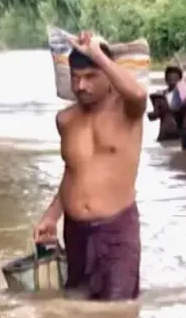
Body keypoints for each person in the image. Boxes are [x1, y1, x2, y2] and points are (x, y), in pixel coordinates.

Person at [33, 32, 147, 301]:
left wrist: (98, 54)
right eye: (75, 77)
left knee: (117, 313)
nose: (81, 86)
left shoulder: (128, 111)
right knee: (77, 311)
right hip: (75, 232)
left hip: (116, 230)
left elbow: (139, 93)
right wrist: (51, 215)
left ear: (109, 76)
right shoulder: (66, 119)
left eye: (90, 77)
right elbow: (73, 171)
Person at [147, 65, 183, 142]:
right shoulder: (159, 97)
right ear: (166, 80)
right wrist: (151, 114)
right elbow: (154, 116)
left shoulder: (185, 96)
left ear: (180, 80)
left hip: (181, 135)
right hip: (164, 134)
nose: (173, 82)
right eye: (170, 79)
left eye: (176, 80)